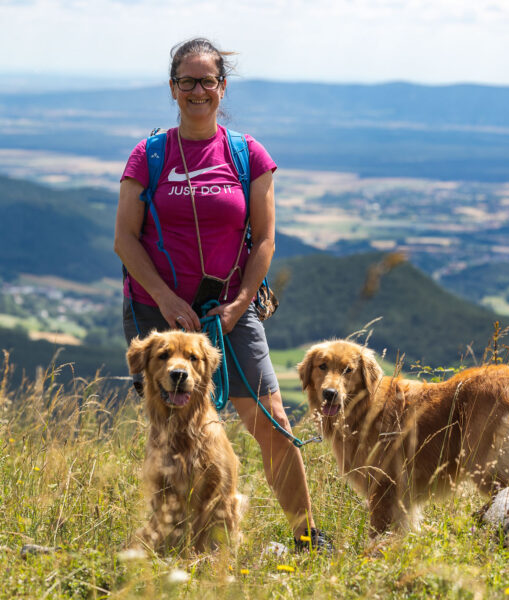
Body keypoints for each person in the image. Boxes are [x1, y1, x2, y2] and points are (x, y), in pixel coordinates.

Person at [114, 37, 329, 552]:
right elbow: (125, 239)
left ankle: (306, 536)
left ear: (221, 86)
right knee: (172, 424)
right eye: (186, 81)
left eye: (206, 80)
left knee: (270, 417)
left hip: (229, 310)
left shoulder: (246, 154)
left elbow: (266, 238)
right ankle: (175, 537)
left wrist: (240, 303)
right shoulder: (148, 155)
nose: (196, 90)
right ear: (172, 88)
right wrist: (165, 298)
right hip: (157, 312)